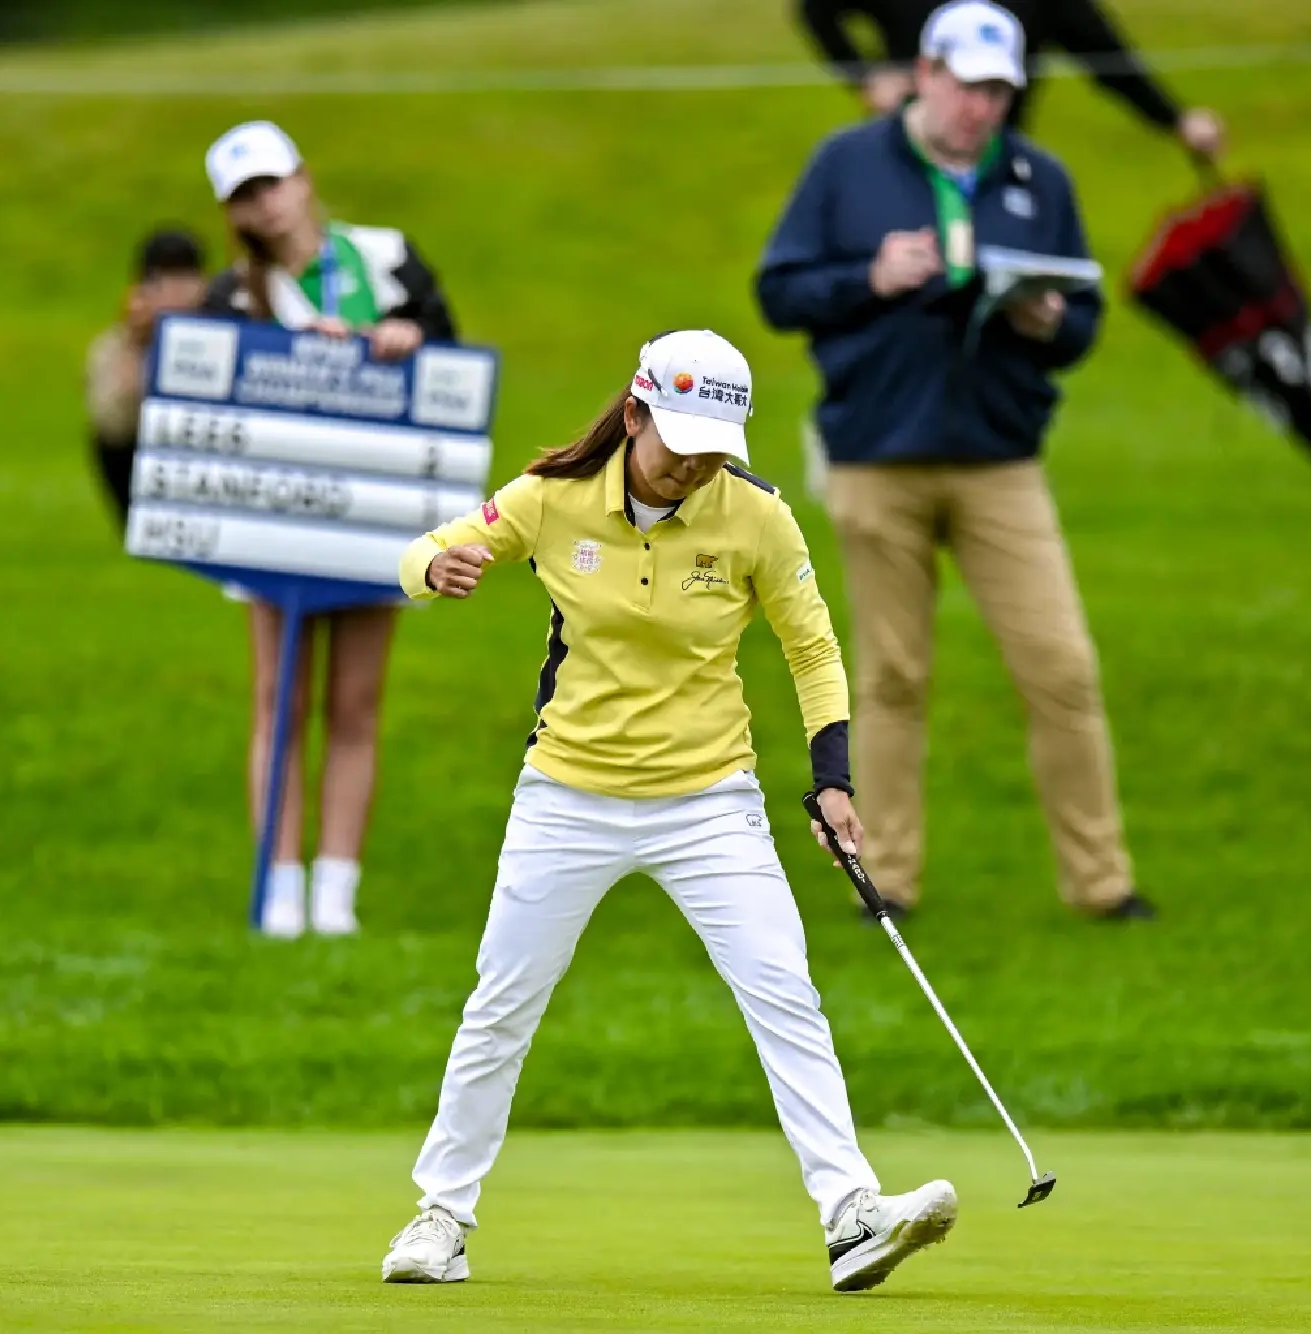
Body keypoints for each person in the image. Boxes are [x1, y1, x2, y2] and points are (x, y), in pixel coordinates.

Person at [378, 331, 957, 1292]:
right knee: (501, 1006)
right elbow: (436, 545)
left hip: (708, 801)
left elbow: (812, 651)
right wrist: (431, 571)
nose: (692, 464)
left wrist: (833, 778)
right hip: (567, 795)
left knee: (784, 991)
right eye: (677, 439)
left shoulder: (756, 516)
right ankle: (440, 1217)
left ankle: (852, 1213)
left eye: (711, 447)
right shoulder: (555, 497)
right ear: (635, 413)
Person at [756, 0, 1154, 921]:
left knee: (1062, 668)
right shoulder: (847, 164)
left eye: (1001, 92)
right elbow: (780, 290)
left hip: (999, 460)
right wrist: (871, 278)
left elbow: (1085, 317)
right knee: (893, 677)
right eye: (971, 87)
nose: (984, 108)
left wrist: (1049, 321)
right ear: (927, 71)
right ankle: (885, 879)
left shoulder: (1037, 176)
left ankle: (1103, 884)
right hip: (876, 456)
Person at [201, 120, 458, 938]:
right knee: (280, 696)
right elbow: (207, 387)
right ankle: (278, 888)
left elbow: (452, 361)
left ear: (303, 179)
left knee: (355, 702)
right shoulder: (234, 292)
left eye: (271, 184)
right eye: (245, 198)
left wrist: (406, 341)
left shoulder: (384, 258)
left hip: (373, 514)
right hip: (273, 519)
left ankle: (336, 892)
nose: (265, 206)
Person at [797, 0, 1226, 155]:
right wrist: (867, 76)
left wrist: (1174, 118)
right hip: (904, 153)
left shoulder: (1044, 182)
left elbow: (1104, 53)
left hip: (999, 164)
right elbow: (816, 10)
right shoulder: (846, 165)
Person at [84, 227, 208, 528]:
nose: (175, 292)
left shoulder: (220, 331)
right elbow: (113, 425)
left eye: (184, 279)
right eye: (164, 280)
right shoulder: (115, 346)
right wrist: (135, 344)